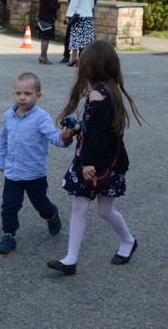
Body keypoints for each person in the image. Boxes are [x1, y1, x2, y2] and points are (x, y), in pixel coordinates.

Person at [48, 40, 144, 276]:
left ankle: (128, 241)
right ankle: (70, 260)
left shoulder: (97, 94)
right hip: (103, 159)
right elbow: (98, 128)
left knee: (103, 210)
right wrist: (80, 128)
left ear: (90, 67)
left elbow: (101, 133)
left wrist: (88, 162)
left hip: (98, 163)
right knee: (80, 208)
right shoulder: (108, 89)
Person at [0, 72, 69, 254]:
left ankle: (51, 214)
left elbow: (53, 136)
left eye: (27, 93)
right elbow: (3, 139)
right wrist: (2, 160)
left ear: (38, 96)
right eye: (18, 93)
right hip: (12, 172)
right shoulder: (9, 116)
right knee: (9, 205)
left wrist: (64, 137)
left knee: (40, 204)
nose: (22, 97)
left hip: (35, 173)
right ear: (13, 93)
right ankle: (9, 235)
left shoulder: (41, 117)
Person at [62, 0, 99, 64]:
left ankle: (74, 58)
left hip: (78, 17)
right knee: (86, 39)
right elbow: (92, 4)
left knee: (75, 37)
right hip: (88, 17)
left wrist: (68, 16)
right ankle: (83, 59)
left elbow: (72, 5)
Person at [37, 0, 59, 64]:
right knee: (46, 38)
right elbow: (51, 6)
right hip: (47, 18)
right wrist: (58, 5)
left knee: (44, 38)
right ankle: (43, 56)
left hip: (42, 17)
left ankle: (43, 55)